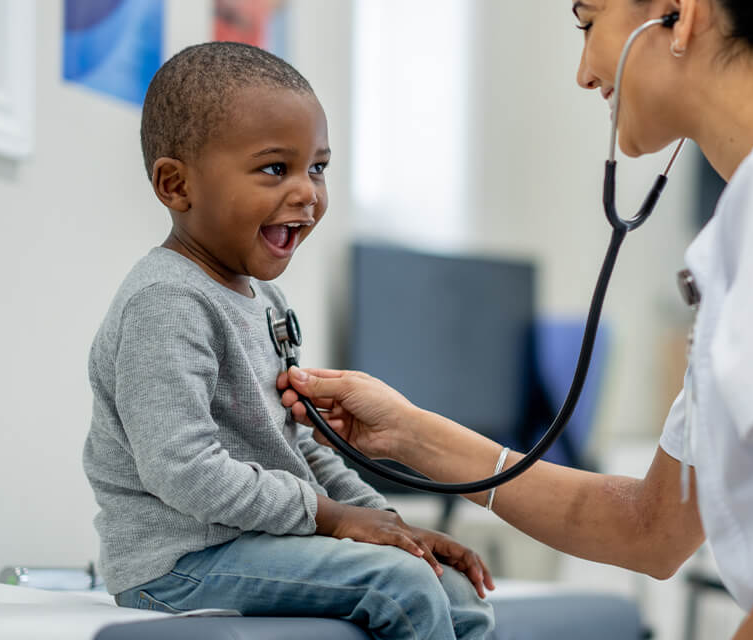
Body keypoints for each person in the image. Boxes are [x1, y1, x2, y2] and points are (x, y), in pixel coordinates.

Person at [280, 0, 753, 637]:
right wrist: (411, 434)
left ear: (680, 13)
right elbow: (652, 529)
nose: (584, 73)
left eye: (589, 24)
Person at [82, 42, 495, 640]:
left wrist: (387, 523)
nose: (308, 192)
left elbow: (302, 446)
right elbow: (184, 471)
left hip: (261, 542)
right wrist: (332, 518)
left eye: (318, 168)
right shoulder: (166, 302)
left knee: (451, 587)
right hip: (179, 566)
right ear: (176, 185)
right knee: (399, 585)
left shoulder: (265, 301)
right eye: (276, 168)